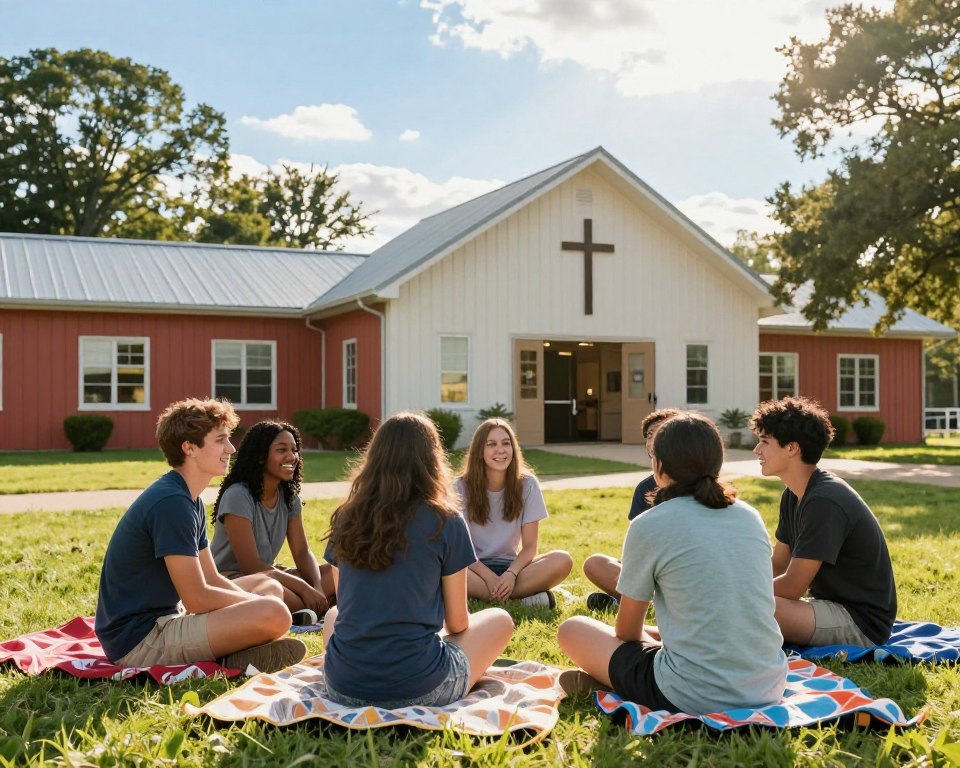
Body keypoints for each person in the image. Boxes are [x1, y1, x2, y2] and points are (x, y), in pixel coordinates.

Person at [557, 413, 787, 714]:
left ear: (658, 465)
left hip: (690, 693)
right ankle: (614, 680)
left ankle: (611, 684)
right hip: (767, 686)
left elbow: (626, 633)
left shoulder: (649, 524)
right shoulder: (750, 516)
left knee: (573, 630)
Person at [95, 398, 306, 674]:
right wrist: (258, 607)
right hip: (139, 640)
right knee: (274, 612)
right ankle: (230, 655)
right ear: (189, 448)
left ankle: (234, 655)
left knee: (270, 589)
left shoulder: (189, 498)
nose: (231, 448)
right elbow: (197, 598)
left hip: (169, 619)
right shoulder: (172, 502)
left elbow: (213, 578)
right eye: (220, 440)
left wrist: (258, 602)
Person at [321, 412, 514, 709]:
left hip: (343, 687)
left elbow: (346, 604)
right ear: (432, 459)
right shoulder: (445, 520)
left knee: (334, 615)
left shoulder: (348, 517)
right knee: (500, 619)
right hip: (420, 686)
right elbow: (458, 623)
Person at [751, 396, 897, 647]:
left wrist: (739, 593)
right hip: (827, 607)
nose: (757, 450)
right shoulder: (793, 494)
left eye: (764, 442)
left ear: (792, 448)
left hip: (861, 623)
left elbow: (793, 586)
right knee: (742, 605)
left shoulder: (825, 500)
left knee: (746, 608)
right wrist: (737, 582)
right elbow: (777, 565)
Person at [210, 420, 335, 624]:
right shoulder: (238, 496)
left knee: (337, 573)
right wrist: (304, 588)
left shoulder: (289, 497)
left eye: (295, 450)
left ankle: (313, 608)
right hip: (235, 580)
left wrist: (317, 587)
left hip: (270, 574)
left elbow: (302, 551)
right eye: (281, 450)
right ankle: (313, 608)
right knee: (279, 594)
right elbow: (251, 565)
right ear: (260, 457)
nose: (292, 457)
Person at [455, 418, 573, 608]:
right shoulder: (459, 487)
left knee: (562, 560)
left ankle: (486, 597)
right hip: (473, 569)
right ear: (479, 451)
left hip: (514, 568)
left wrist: (510, 574)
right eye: (491, 444)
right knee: (440, 567)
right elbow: (458, 549)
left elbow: (529, 547)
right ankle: (521, 600)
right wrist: (489, 577)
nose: (500, 450)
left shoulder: (527, 484)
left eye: (506, 443)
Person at [583, 409, 680, 612]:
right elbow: (635, 550)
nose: (653, 440)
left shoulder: (705, 487)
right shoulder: (644, 488)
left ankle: (634, 602)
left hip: (683, 571)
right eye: (649, 435)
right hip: (651, 571)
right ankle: (643, 602)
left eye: (661, 432)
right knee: (595, 564)